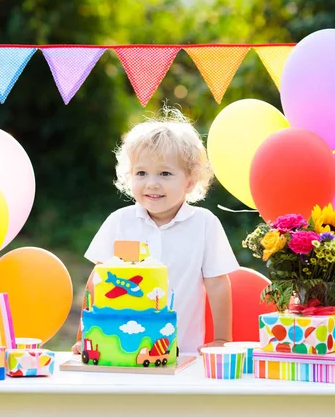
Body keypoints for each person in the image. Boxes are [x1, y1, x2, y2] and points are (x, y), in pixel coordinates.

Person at [72, 107, 240, 355]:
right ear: (129, 176)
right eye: (141, 173)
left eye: (165, 173)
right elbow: (97, 281)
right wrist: (85, 337)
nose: (152, 183)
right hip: (120, 350)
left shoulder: (205, 223)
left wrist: (223, 338)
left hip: (184, 352)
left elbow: (217, 284)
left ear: (190, 181)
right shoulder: (119, 222)